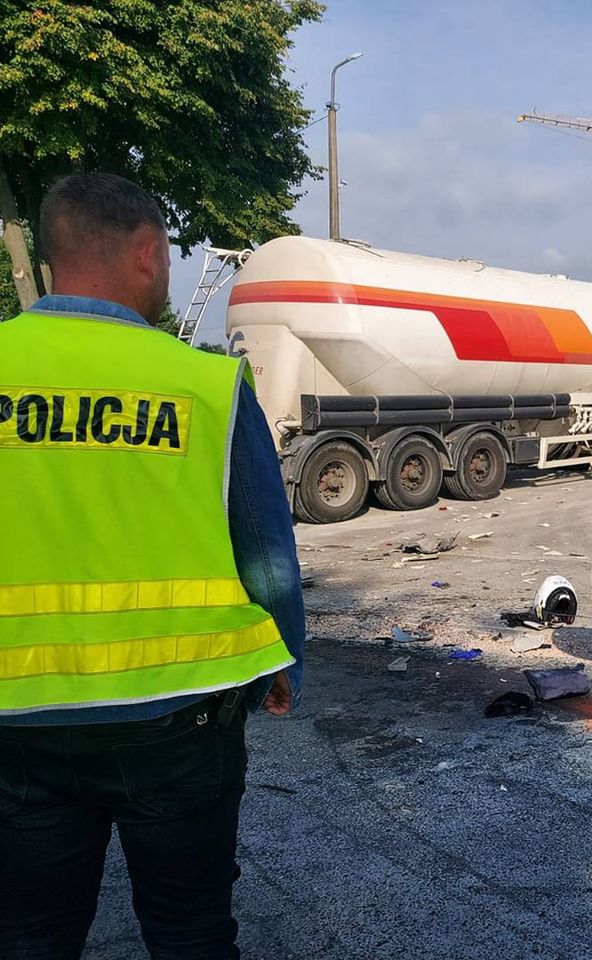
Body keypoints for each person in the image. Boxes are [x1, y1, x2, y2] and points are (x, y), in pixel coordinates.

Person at [0, 172, 305, 960]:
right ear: (145, 251)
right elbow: (265, 548)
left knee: (30, 935)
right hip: (180, 720)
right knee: (190, 932)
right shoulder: (203, 384)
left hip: (15, 722)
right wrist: (283, 662)